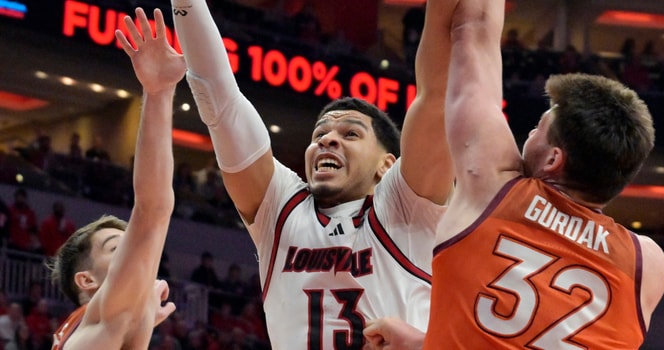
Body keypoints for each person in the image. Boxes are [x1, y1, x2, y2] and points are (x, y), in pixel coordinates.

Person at [364, 0, 664, 349]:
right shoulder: (648, 264)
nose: (529, 134)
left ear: (554, 159)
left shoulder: (492, 186)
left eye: (539, 128)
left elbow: (472, 29)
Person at [169, 0, 453, 347]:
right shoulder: (280, 208)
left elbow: (439, 96)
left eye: (350, 134)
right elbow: (220, 100)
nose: (328, 139)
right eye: (319, 135)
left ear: (387, 165)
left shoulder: (407, 208)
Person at [47, 7, 185, 349]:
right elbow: (152, 209)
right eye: (115, 247)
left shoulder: (93, 327)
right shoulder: (106, 317)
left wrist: (143, 314)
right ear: (87, 280)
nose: (133, 250)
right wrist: (159, 92)